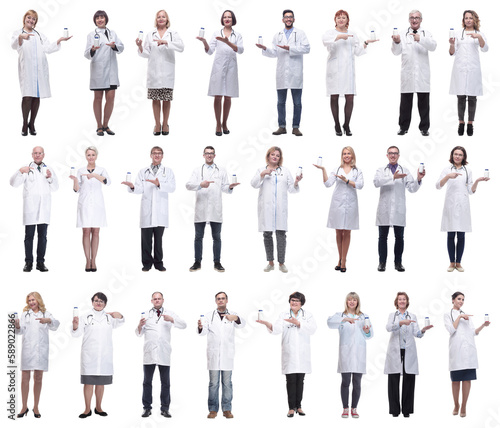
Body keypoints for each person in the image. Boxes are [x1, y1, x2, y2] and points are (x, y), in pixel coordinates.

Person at [11, 10, 71, 136]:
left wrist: (59, 40)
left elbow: (48, 48)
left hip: (39, 71)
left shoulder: (39, 35)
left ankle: (32, 123)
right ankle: (24, 123)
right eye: (29, 18)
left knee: (36, 97)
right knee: (27, 96)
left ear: (35, 22)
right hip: (27, 70)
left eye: (33, 19)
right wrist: (21, 37)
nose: (31, 21)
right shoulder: (18, 33)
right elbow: (14, 46)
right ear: (24, 18)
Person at [257, 291, 316, 417]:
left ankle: (299, 406)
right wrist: (267, 324)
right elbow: (277, 329)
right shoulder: (283, 315)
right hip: (289, 353)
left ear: (301, 303)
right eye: (292, 300)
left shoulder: (308, 315)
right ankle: (291, 408)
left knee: (300, 380)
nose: (294, 303)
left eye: (296, 301)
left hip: (302, 354)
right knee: (290, 380)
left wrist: (298, 323)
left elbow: (313, 329)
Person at [322, 10, 378, 136]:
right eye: (339, 18)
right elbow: (325, 41)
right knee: (334, 96)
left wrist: (366, 43)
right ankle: (337, 124)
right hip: (334, 70)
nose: (341, 19)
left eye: (344, 17)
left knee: (350, 97)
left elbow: (357, 52)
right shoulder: (330, 33)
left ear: (347, 20)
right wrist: (340, 36)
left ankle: (346, 124)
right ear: (335, 20)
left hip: (348, 70)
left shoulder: (353, 34)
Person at [186, 146, 239, 273]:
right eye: (207, 153)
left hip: (215, 209)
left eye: (211, 153)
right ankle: (197, 262)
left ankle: (217, 262)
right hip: (201, 209)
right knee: (198, 237)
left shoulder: (221, 170)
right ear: (203, 155)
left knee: (217, 237)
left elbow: (225, 188)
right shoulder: (197, 170)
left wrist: (230, 187)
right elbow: (188, 185)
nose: (209, 155)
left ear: (215, 156)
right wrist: (200, 185)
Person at [256, 10, 310, 136]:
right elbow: (274, 52)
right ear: (283, 20)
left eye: (290, 17)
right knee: (281, 102)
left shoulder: (300, 33)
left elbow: (307, 48)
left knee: (297, 102)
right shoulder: (278, 35)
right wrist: (264, 49)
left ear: (294, 19)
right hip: (282, 73)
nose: (288, 19)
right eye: (286, 17)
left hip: (295, 73)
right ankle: (282, 126)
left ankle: (296, 127)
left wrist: (290, 48)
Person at [122, 146, 175, 272]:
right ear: (150, 155)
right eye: (154, 153)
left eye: (159, 153)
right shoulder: (143, 171)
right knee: (146, 240)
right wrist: (132, 186)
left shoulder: (167, 171)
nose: (157, 155)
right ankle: (146, 263)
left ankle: (158, 263)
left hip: (160, 211)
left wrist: (159, 184)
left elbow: (172, 188)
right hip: (147, 210)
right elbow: (140, 189)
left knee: (158, 240)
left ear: (162, 156)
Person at [71, 292, 124, 418]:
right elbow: (76, 334)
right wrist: (74, 326)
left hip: (104, 355)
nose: (98, 303)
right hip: (90, 355)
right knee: (88, 383)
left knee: (101, 383)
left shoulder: (109, 317)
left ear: (105, 303)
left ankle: (98, 407)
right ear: (92, 302)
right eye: (96, 301)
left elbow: (120, 322)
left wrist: (120, 315)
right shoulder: (85, 316)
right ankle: (87, 409)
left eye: (101, 301)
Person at [436, 146, 489, 272]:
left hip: (463, 205)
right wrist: (448, 176)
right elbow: (438, 186)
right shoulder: (446, 169)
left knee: (461, 235)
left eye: (460, 154)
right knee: (450, 235)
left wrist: (477, 181)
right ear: (452, 155)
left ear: (464, 157)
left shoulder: (468, 170)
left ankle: (458, 263)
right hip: (450, 205)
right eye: (455, 154)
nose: (457, 156)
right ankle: (451, 263)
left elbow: (470, 191)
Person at [373, 146, 425, 272]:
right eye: (390, 153)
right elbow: (376, 183)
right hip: (384, 209)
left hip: (398, 209)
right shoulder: (381, 170)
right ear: (387, 155)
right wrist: (392, 178)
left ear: (399, 156)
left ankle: (398, 263)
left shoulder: (404, 170)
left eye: (395, 153)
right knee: (382, 237)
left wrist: (418, 178)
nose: (393, 155)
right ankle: (382, 263)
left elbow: (412, 189)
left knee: (399, 237)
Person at [250, 146, 301, 273]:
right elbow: (253, 184)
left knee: (281, 235)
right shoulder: (261, 170)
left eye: (277, 155)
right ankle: (270, 263)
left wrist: (296, 181)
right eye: (272, 154)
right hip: (266, 208)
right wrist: (262, 175)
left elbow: (292, 189)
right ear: (268, 156)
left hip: (280, 209)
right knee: (267, 235)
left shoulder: (285, 171)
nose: (275, 157)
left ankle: (282, 263)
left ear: (280, 158)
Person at [136, 292, 187, 418]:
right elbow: (138, 333)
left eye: (159, 299)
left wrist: (172, 320)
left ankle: (165, 408)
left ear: (163, 300)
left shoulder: (170, 313)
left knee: (166, 383)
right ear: (151, 301)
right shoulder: (145, 314)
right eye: (155, 299)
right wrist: (140, 325)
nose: (157, 300)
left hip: (164, 353)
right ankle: (147, 408)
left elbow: (184, 325)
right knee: (147, 382)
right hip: (149, 354)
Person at [314, 146, 364, 272]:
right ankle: (340, 258)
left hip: (351, 204)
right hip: (337, 204)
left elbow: (360, 185)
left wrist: (346, 180)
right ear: (342, 156)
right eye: (344, 154)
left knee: (347, 232)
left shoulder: (357, 171)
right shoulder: (336, 169)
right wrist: (323, 170)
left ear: (352, 156)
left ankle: (344, 260)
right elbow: (327, 184)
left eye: (348, 153)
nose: (346, 156)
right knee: (338, 232)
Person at [10, 146, 59, 272]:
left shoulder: (49, 169)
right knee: (29, 236)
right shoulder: (27, 169)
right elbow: (13, 184)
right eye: (35, 153)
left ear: (43, 155)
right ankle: (28, 262)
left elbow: (55, 188)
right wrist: (20, 171)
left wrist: (50, 178)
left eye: (40, 153)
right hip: (31, 208)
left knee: (43, 237)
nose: (37, 155)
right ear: (32, 155)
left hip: (44, 209)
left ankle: (40, 262)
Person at [384, 292, 433, 418]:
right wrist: (401, 323)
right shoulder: (392, 315)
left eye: (404, 299)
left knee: (409, 380)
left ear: (407, 301)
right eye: (400, 299)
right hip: (395, 350)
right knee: (393, 380)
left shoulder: (413, 316)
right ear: (397, 301)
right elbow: (388, 328)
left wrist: (423, 330)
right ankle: (395, 410)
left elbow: (417, 333)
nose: (402, 301)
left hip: (408, 350)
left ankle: (407, 410)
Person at [198, 291, 246, 419]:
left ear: (227, 300)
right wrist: (200, 327)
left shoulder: (233, 314)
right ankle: (213, 409)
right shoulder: (209, 316)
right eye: (218, 299)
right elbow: (203, 333)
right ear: (215, 301)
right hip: (213, 354)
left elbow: (242, 324)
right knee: (213, 383)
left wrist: (235, 318)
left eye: (223, 298)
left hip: (227, 355)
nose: (220, 300)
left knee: (227, 383)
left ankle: (227, 409)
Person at [136, 10, 184, 135]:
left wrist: (166, 42)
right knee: (155, 99)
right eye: (159, 17)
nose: (161, 19)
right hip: (154, 72)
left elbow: (181, 47)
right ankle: (157, 124)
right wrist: (140, 46)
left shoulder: (173, 34)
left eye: (163, 17)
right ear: (156, 19)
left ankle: (165, 123)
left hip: (167, 72)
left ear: (167, 19)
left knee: (166, 99)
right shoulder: (150, 34)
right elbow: (146, 53)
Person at [197, 10, 243, 136]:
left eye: (229, 17)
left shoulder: (237, 35)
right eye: (224, 17)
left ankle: (225, 123)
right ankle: (218, 124)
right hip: (218, 67)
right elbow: (210, 51)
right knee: (218, 96)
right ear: (222, 20)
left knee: (228, 97)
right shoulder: (217, 33)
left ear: (233, 19)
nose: (227, 19)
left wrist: (228, 42)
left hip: (231, 68)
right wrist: (204, 41)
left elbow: (241, 50)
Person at [444, 292, 490, 417]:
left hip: (468, 352)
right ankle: (456, 404)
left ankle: (464, 405)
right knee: (455, 381)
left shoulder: (467, 315)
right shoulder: (447, 315)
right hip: (456, 352)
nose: (461, 301)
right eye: (459, 299)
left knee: (467, 379)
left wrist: (483, 326)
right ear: (453, 300)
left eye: (463, 299)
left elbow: (473, 332)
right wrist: (459, 317)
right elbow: (451, 330)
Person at [327, 292, 373, 419]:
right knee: (345, 381)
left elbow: (370, 335)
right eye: (349, 300)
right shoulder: (340, 315)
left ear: (358, 302)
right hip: (346, 353)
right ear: (346, 302)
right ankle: (345, 409)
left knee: (357, 383)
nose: (352, 302)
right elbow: (329, 323)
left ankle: (354, 408)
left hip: (359, 353)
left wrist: (367, 331)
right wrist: (345, 319)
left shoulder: (364, 316)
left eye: (354, 300)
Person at [14, 292, 60, 418]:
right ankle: (24, 407)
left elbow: (56, 325)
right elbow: (20, 331)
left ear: (38, 300)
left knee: (38, 378)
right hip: (28, 350)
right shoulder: (25, 314)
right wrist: (17, 326)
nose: (31, 302)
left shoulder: (46, 313)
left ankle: (36, 407)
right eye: (29, 301)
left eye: (33, 300)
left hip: (40, 350)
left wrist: (48, 320)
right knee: (24, 378)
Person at [392, 10, 436, 136]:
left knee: (424, 103)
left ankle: (424, 128)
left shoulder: (426, 33)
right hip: (408, 73)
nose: (414, 20)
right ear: (409, 20)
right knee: (405, 103)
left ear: (421, 20)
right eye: (412, 17)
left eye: (417, 18)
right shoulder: (401, 34)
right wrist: (396, 42)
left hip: (422, 74)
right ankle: (403, 127)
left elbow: (433, 47)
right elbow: (396, 52)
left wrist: (420, 39)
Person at [70, 146, 111, 272]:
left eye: (93, 155)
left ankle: (94, 260)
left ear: (96, 156)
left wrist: (94, 175)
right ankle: (87, 260)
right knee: (86, 232)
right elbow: (77, 189)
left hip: (98, 204)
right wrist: (75, 180)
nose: (91, 157)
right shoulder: (81, 170)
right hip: (85, 203)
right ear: (86, 156)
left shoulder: (101, 170)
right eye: (88, 155)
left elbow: (107, 182)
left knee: (96, 232)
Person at [84, 10, 124, 136]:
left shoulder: (113, 33)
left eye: (102, 17)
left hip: (111, 70)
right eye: (97, 18)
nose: (100, 20)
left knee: (111, 98)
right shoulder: (91, 35)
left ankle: (106, 125)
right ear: (95, 20)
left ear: (106, 19)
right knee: (98, 98)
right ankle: (99, 126)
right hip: (98, 70)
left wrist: (114, 46)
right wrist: (92, 49)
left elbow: (121, 47)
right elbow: (86, 54)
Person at [449, 10, 488, 136]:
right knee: (460, 96)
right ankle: (461, 123)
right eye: (466, 18)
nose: (468, 20)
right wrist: (451, 44)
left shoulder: (479, 33)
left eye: (470, 18)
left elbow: (485, 48)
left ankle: (470, 123)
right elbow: (452, 53)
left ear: (474, 20)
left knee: (472, 97)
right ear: (463, 20)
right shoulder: (457, 33)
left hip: (473, 69)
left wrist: (480, 38)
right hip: (460, 68)